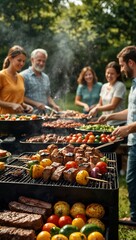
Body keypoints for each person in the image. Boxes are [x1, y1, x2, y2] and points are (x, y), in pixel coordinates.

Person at [98, 46, 136, 223]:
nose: (121, 70)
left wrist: (127, 129)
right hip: (133, 140)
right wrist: (110, 116)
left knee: (131, 179)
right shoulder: (134, 83)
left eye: (121, 66)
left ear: (131, 63)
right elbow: (131, 112)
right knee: (131, 180)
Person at [20, 48, 60, 114]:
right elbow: (19, 97)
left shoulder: (46, 77)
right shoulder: (23, 76)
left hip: (45, 115)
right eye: (39, 60)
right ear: (32, 60)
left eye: (43, 61)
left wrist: (54, 105)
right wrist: (35, 103)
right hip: (29, 115)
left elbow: (48, 96)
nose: (41, 63)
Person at [89, 61, 127, 126]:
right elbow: (100, 104)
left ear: (118, 74)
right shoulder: (104, 86)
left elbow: (113, 106)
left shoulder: (120, 86)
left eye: (112, 73)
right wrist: (94, 109)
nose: (109, 75)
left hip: (118, 123)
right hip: (106, 123)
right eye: (107, 73)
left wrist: (97, 109)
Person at [0, 45, 33, 114]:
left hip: (18, 119)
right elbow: (13, 104)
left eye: (23, 61)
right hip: (3, 120)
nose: (22, 63)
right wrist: (11, 105)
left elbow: (18, 102)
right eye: (19, 60)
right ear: (10, 58)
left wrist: (26, 106)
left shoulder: (21, 77)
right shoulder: (2, 75)